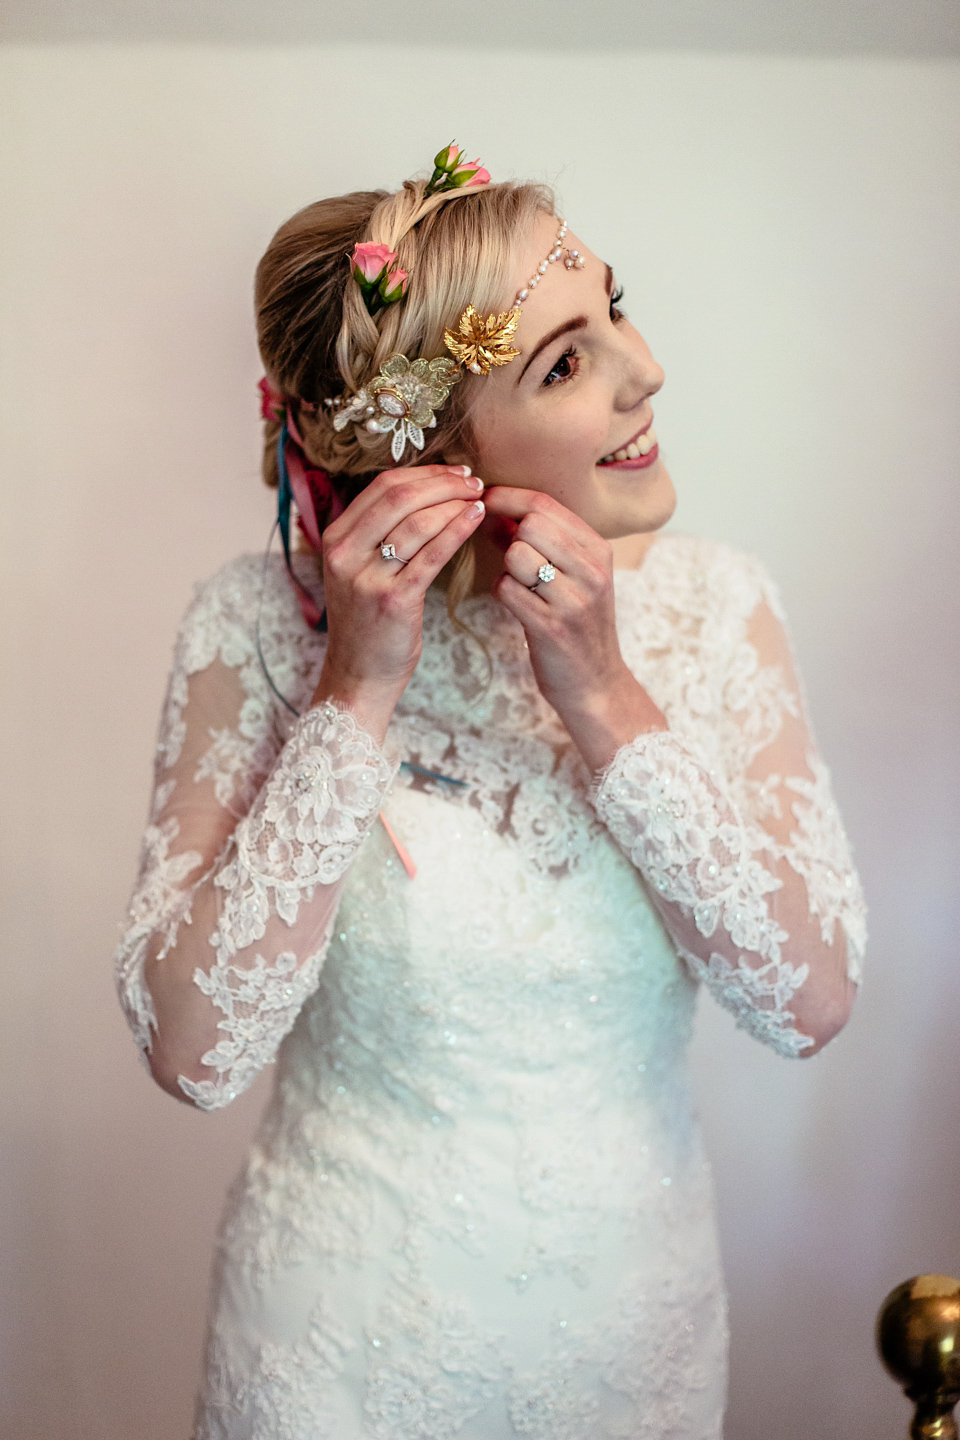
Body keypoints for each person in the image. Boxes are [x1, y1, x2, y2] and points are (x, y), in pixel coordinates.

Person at [115, 148, 866, 1439]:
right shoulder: (253, 628)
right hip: (335, 1354)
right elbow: (194, 1052)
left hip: (633, 1344)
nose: (647, 370)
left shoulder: (718, 607)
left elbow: (809, 1003)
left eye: (614, 308)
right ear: (434, 448)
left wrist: (605, 694)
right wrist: (352, 693)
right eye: (565, 363)